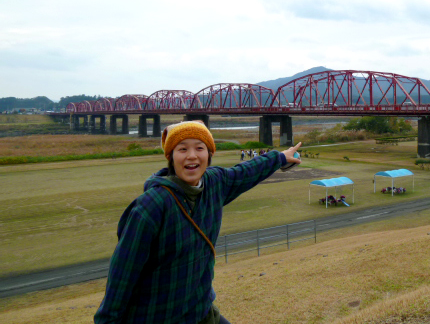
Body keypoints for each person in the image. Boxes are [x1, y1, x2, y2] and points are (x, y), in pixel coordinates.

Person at [94, 120, 302, 323]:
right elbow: (122, 276)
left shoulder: (214, 183)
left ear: (209, 154)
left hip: (200, 310)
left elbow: (246, 172)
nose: (192, 156)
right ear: (171, 156)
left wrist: (280, 157)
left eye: (199, 148)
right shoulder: (151, 205)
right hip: (157, 315)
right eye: (182, 149)